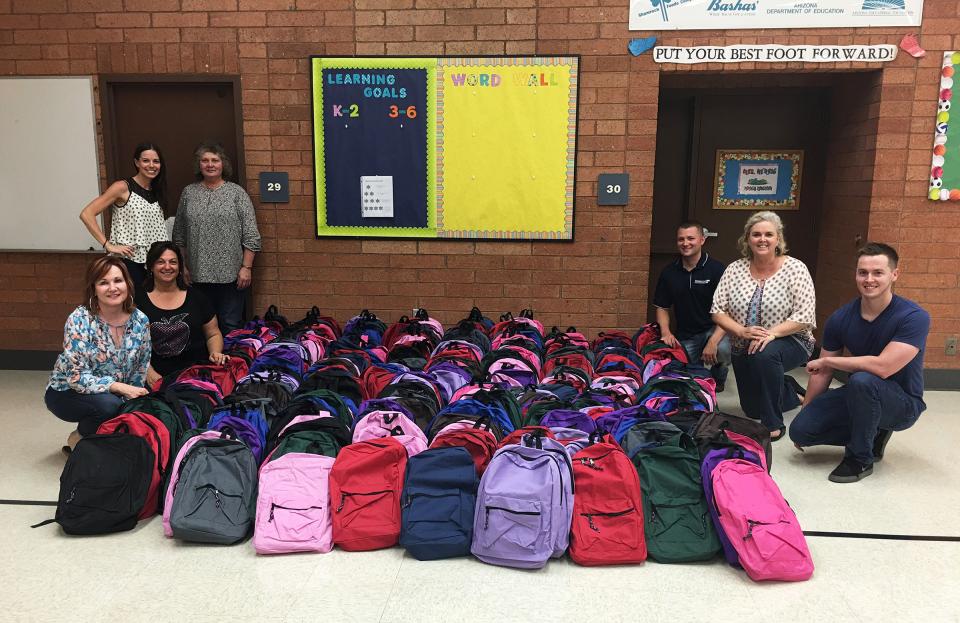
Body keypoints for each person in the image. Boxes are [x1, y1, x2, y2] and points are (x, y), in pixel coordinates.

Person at [789, 243, 929, 483]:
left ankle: (860, 458)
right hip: (859, 394)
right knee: (801, 429)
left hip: (903, 403)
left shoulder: (913, 317)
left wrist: (830, 361)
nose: (869, 279)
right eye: (862, 272)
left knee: (864, 380)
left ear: (894, 274)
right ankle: (873, 431)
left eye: (878, 273)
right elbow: (823, 372)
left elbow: (883, 367)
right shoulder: (841, 318)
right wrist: (807, 409)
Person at [710, 211, 816, 441]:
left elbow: (805, 316)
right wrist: (740, 331)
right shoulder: (734, 269)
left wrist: (772, 334)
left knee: (765, 355)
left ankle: (773, 424)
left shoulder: (796, 269)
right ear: (747, 239)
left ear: (778, 239)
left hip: (791, 339)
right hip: (743, 341)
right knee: (750, 409)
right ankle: (787, 389)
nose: (762, 239)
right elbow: (717, 310)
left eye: (769, 234)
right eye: (756, 234)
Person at [44, 256, 151, 452]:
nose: (113, 288)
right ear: (93, 288)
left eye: (118, 280)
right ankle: (80, 438)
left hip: (116, 393)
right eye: (103, 282)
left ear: (128, 283)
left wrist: (134, 399)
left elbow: (140, 368)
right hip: (66, 392)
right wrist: (119, 388)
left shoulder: (140, 320)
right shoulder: (79, 320)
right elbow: (76, 378)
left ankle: (103, 441)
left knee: (142, 405)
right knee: (109, 406)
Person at [173, 142, 261, 334]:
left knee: (230, 324)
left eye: (215, 160)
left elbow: (251, 234)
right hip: (197, 276)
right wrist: (183, 266)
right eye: (205, 160)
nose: (210, 164)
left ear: (223, 164)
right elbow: (180, 235)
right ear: (199, 165)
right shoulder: (189, 193)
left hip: (231, 276)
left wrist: (246, 267)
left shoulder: (237, 193)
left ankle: (232, 363)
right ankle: (205, 363)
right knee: (199, 325)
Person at [135, 241, 229, 388]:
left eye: (173, 262)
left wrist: (215, 352)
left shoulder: (197, 298)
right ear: (151, 266)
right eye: (160, 262)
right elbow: (128, 343)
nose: (167, 267)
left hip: (195, 375)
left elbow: (213, 334)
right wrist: (147, 370)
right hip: (153, 378)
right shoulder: (136, 301)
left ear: (179, 267)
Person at [653, 220, 730, 391]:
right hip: (687, 333)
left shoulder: (717, 269)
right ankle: (701, 370)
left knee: (723, 350)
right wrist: (666, 332)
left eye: (691, 238)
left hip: (715, 329)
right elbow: (662, 307)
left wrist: (713, 342)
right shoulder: (669, 272)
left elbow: (728, 311)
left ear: (702, 240)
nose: (685, 243)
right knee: (690, 379)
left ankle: (719, 372)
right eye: (681, 239)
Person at [79, 142, 169, 287]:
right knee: (131, 304)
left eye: (156, 161)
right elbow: (87, 214)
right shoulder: (123, 187)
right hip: (130, 260)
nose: (151, 165)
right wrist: (108, 245)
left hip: (154, 261)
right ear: (137, 163)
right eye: (146, 160)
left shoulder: (157, 190)